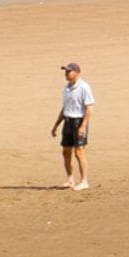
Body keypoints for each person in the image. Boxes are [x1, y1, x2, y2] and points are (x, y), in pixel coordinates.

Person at [53, 62, 95, 190]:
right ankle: (70, 179)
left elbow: (89, 108)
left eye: (69, 71)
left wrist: (83, 126)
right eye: (65, 71)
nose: (66, 74)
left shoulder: (84, 87)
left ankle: (84, 181)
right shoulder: (66, 88)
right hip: (67, 121)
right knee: (66, 151)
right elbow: (65, 107)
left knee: (79, 152)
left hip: (78, 121)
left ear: (77, 73)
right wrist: (56, 125)